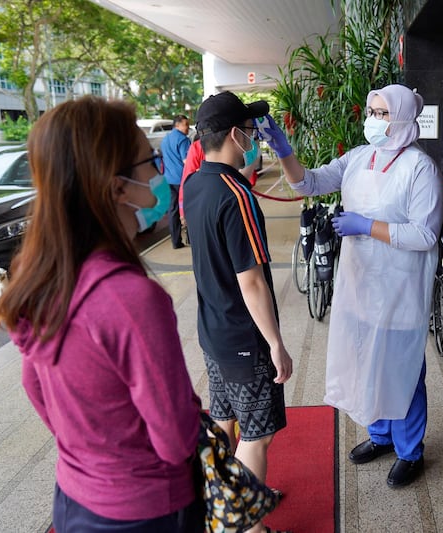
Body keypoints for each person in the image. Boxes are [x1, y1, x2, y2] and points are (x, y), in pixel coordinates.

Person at [0, 97, 203, 532]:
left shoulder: (40, 278)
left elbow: (33, 384)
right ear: (117, 187)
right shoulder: (131, 299)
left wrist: (92, 448)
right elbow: (174, 438)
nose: (160, 173)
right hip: (148, 510)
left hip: (74, 499)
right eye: (149, 161)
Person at [263, 83, 443, 488]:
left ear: (401, 117)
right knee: (367, 362)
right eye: (371, 111)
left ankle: (410, 450)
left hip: (400, 291)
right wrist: (283, 150)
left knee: (402, 371)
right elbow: (309, 183)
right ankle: (380, 436)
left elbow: (424, 235)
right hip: (361, 286)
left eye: (381, 113)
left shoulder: (419, 168)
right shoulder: (360, 157)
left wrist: (366, 226)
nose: (373, 120)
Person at [182, 91, 292, 533]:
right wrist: (276, 344)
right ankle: (246, 526)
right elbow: (252, 280)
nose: (254, 137)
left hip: (212, 330)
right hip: (244, 339)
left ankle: (223, 504)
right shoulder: (238, 196)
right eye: (250, 129)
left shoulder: (194, 184)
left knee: (226, 421)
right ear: (234, 134)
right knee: (258, 434)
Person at [160, 114, 191, 248]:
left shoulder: (165, 139)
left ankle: (176, 241)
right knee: (189, 208)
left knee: (173, 210)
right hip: (182, 180)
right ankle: (190, 238)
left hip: (168, 179)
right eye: (186, 125)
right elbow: (187, 161)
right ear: (177, 125)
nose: (188, 128)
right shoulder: (183, 140)